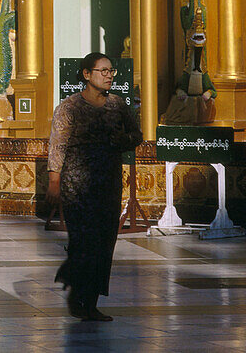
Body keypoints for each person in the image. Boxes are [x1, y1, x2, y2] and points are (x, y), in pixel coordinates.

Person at [48, 52, 142, 322]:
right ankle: (78, 296)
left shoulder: (118, 106)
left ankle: (89, 301)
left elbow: (137, 135)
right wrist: (54, 181)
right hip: (77, 187)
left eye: (111, 71)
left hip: (108, 184)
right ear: (87, 74)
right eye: (103, 71)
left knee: (103, 244)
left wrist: (120, 138)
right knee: (84, 243)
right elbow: (58, 145)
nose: (109, 75)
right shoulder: (70, 107)